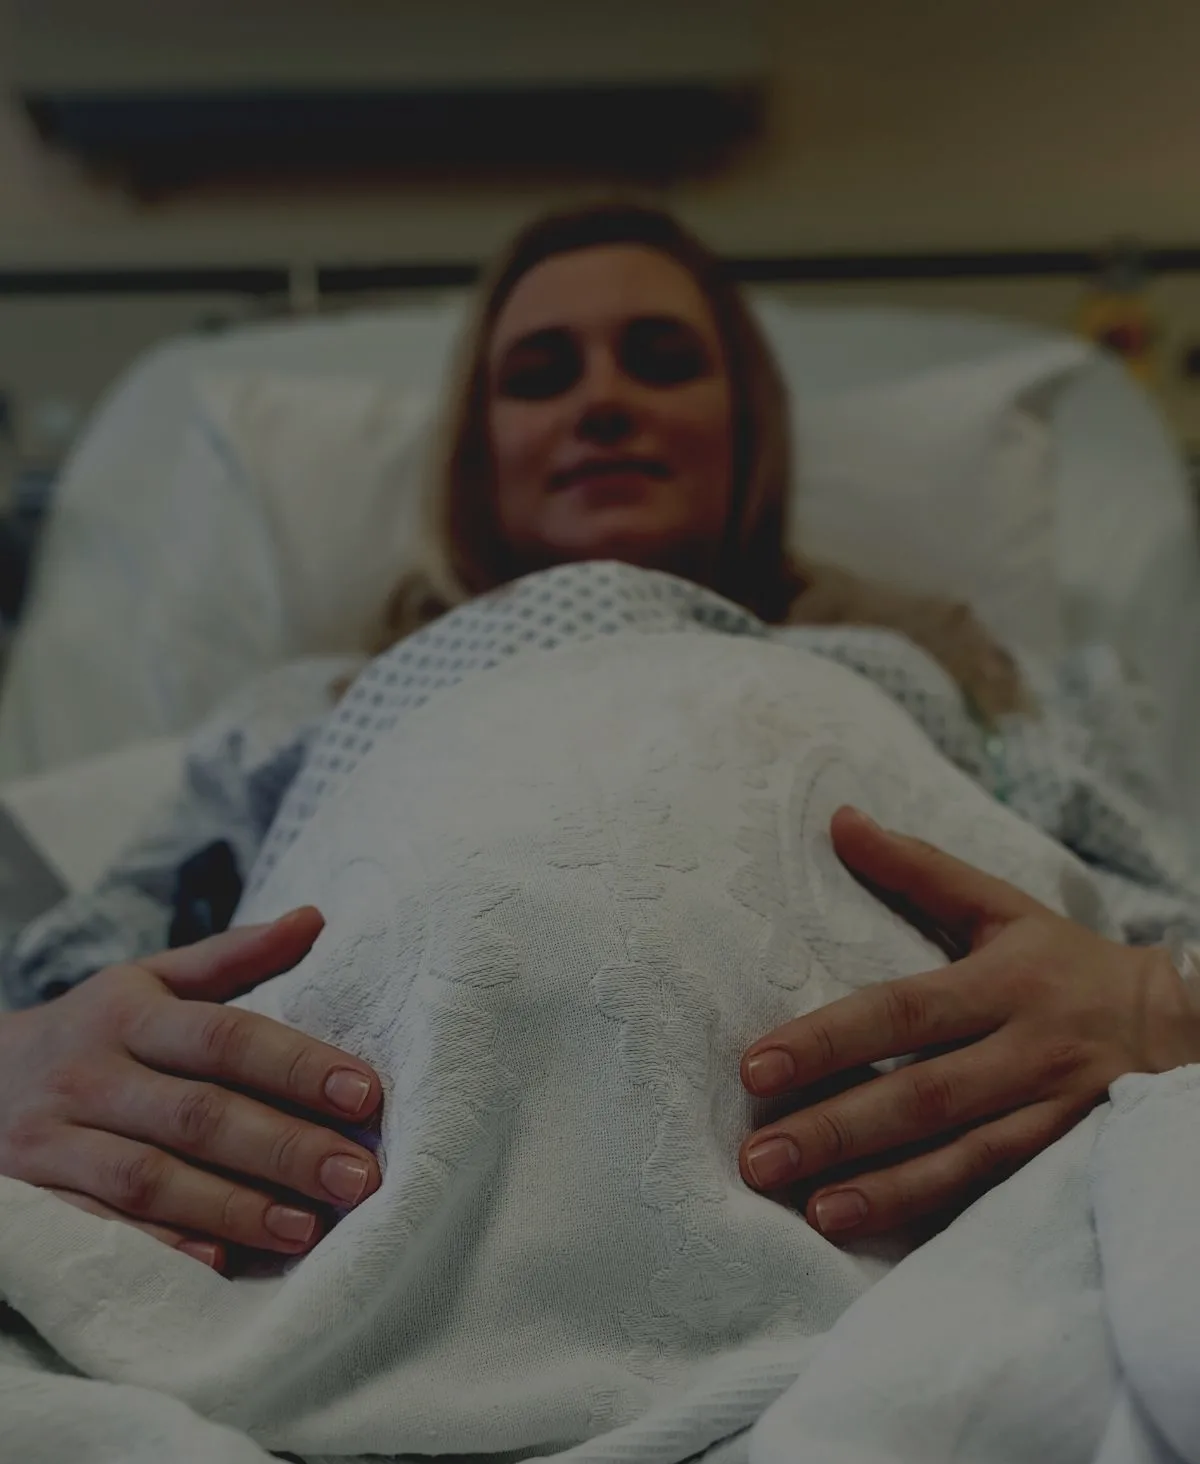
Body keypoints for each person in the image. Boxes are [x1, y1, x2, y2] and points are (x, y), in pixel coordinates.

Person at [0, 201, 1196, 1276]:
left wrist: (1158, 1004)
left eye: (664, 361)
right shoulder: (306, 716)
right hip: (347, 1253)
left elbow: (1160, 929)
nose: (603, 400)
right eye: (541, 373)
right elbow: (80, 993)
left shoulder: (956, 682)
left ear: (751, 427)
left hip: (924, 1266)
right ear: (478, 453)